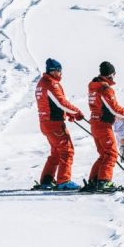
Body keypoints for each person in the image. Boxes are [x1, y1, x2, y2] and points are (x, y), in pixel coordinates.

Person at [34, 58, 85, 190]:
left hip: (45, 122)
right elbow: (61, 102)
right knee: (67, 151)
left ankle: (46, 180)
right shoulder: (51, 84)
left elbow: (52, 104)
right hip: (54, 123)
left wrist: (68, 114)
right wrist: (76, 112)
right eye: (59, 71)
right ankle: (64, 181)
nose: (61, 74)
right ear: (54, 71)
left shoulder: (41, 83)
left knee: (56, 153)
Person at [86, 61, 124, 191]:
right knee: (111, 154)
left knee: (104, 154)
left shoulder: (94, 86)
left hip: (95, 122)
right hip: (103, 124)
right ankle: (104, 182)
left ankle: (94, 181)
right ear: (111, 75)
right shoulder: (105, 89)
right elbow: (114, 109)